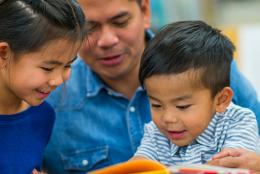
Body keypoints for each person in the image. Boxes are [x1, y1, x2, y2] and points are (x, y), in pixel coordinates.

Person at [43, 0, 260, 173]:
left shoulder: (213, 70)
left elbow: (235, 159)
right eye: (90, 28)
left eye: (120, 22)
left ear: (145, 11)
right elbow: (139, 163)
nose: (107, 40)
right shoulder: (48, 94)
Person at [133, 20, 258, 165]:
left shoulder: (238, 121)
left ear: (221, 100)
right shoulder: (155, 133)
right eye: (156, 105)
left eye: (182, 106)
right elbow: (139, 164)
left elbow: (229, 165)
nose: (168, 118)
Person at [0, 0, 86, 173]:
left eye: (68, 65)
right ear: (4, 53)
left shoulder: (43, 116)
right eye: (47, 68)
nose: (58, 80)